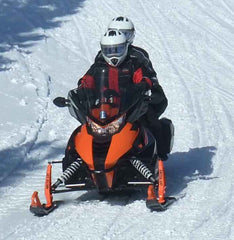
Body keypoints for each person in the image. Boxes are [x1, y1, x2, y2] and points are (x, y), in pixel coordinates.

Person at [77, 29, 173, 160]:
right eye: (109, 50)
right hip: (106, 107)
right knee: (87, 129)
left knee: (150, 121)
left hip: (130, 105)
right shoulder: (98, 66)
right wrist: (81, 89)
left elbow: (144, 76)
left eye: (118, 49)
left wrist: (144, 84)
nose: (113, 54)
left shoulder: (133, 64)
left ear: (125, 47)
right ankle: (81, 157)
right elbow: (88, 79)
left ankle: (156, 154)